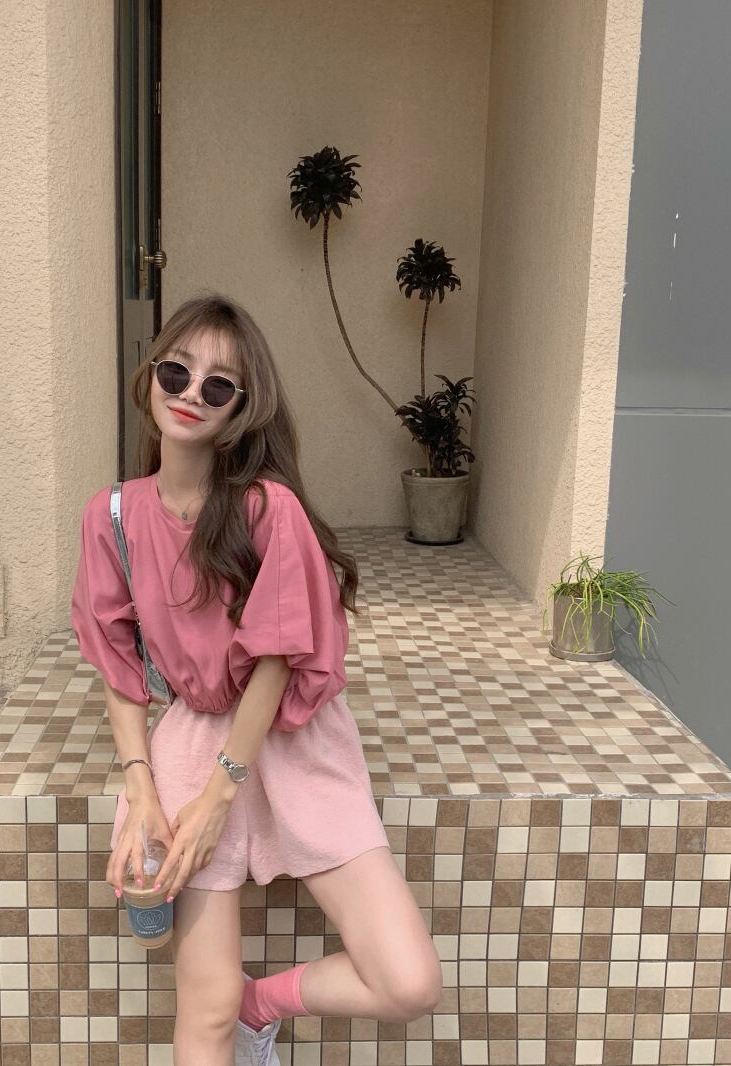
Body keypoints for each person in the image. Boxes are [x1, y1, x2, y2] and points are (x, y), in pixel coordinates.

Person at [70, 292, 443, 1066]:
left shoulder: (267, 508)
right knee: (203, 1012)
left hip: (292, 740)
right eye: (176, 371)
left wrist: (220, 792)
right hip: (193, 738)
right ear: (150, 376)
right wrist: (142, 785)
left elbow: (277, 656)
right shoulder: (112, 516)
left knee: (408, 982)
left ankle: (260, 1005)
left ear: (242, 407)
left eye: (219, 385)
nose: (190, 394)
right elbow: (116, 662)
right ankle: (230, 1009)